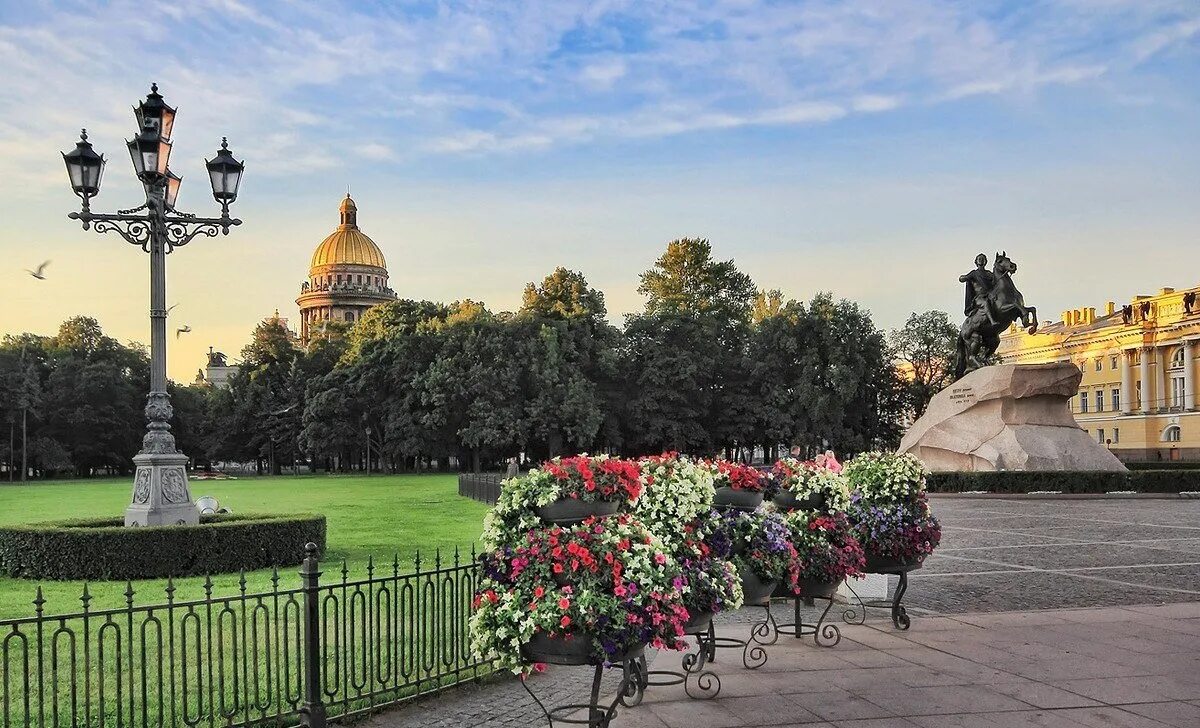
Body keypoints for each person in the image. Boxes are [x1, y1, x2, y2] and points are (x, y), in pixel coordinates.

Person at [959, 253, 997, 321]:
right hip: (980, 297)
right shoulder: (974, 273)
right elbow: (962, 279)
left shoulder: (989, 273)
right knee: (985, 303)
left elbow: (996, 280)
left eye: (983, 259)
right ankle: (992, 320)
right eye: (979, 259)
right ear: (976, 261)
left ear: (985, 261)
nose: (981, 260)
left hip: (990, 295)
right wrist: (964, 277)